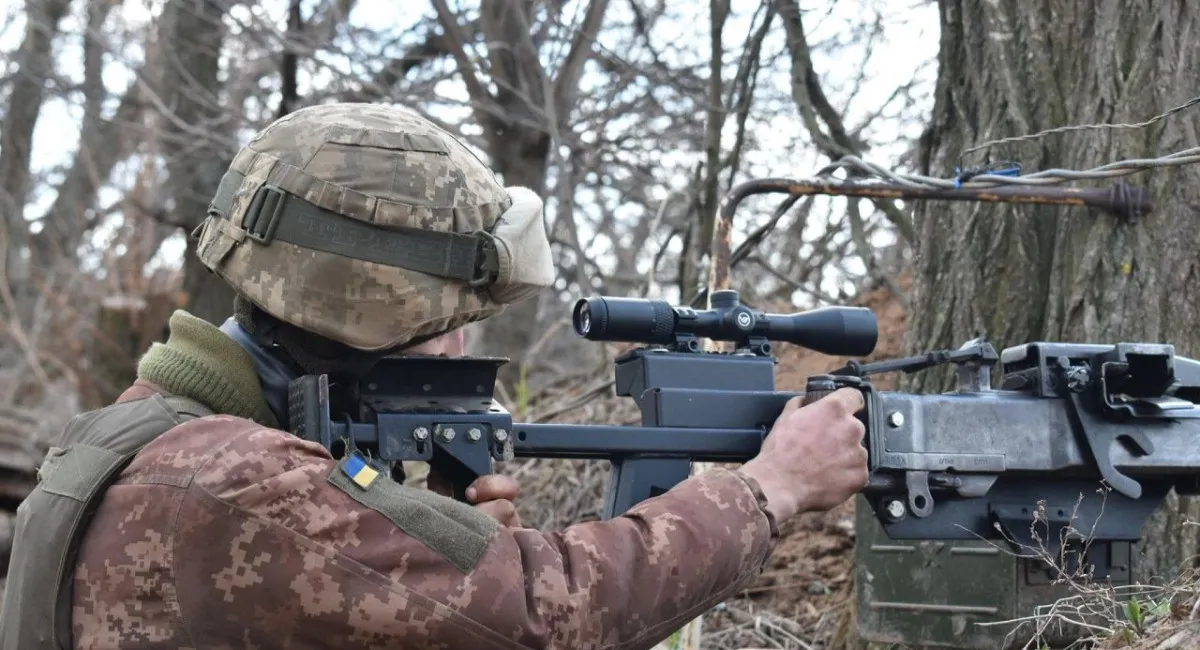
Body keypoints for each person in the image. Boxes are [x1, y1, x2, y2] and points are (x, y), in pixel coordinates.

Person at [0, 102, 869, 649]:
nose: (460, 352)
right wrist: (769, 490)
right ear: (375, 317)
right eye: (448, 323)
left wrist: (421, 534)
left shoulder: (134, 434)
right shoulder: (238, 484)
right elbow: (547, 615)